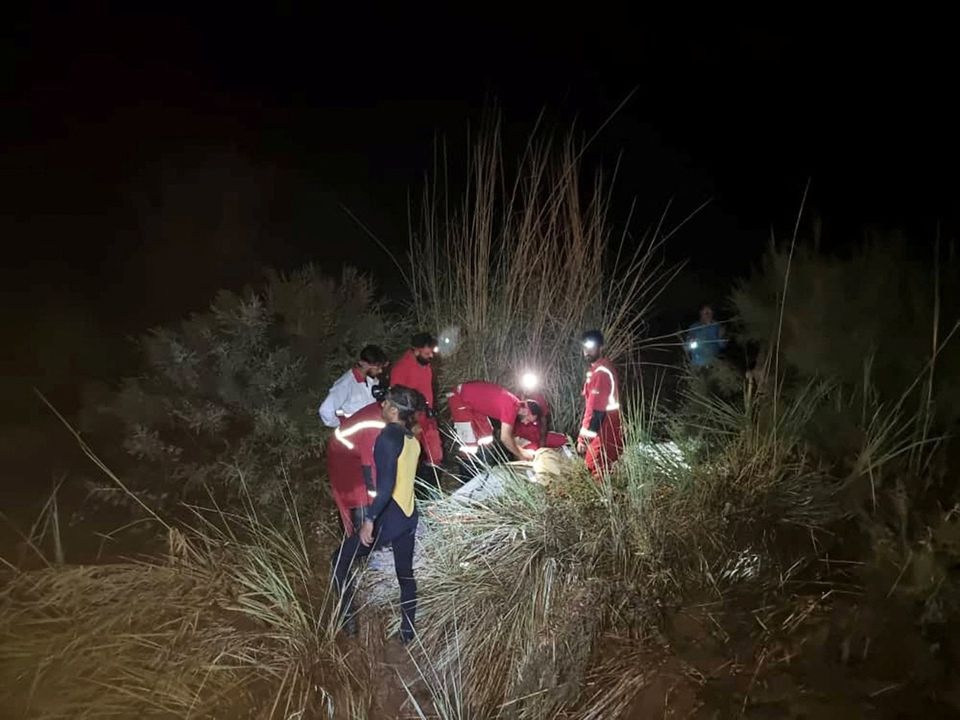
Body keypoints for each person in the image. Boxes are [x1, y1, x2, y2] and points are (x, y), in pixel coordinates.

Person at [331, 385, 423, 643]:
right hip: (409, 516)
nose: (381, 406)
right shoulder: (411, 440)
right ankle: (408, 632)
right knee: (405, 574)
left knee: (338, 560)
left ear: (393, 410)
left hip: (388, 518)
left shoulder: (387, 437)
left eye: (385, 403)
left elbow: (386, 486)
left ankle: (348, 621)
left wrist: (369, 521)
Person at [324, 388, 387, 536]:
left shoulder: (383, 412)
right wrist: (375, 507)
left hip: (353, 451)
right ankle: (358, 547)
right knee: (361, 500)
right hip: (346, 462)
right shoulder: (374, 426)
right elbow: (370, 467)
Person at [447, 380, 537, 461]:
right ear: (526, 411)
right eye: (528, 419)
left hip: (476, 406)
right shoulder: (512, 407)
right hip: (460, 398)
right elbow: (505, 438)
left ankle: (487, 466)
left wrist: (523, 452)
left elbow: (508, 438)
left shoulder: (513, 403)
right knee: (469, 444)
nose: (525, 423)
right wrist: (521, 455)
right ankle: (468, 475)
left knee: (486, 437)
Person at [577, 330, 624, 480]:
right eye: (584, 346)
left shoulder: (601, 373)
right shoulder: (598, 369)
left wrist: (583, 440)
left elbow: (596, 411)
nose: (587, 350)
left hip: (604, 430)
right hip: (606, 429)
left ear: (601, 347)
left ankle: (606, 501)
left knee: (596, 468)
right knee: (603, 468)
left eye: (591, 346)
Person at [389, 332, 442, 466]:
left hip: (427, 415)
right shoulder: (401, 368)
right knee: (411, 455)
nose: (431, 356)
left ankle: (433, 478)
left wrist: (430, 409)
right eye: (427, 353)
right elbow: (396, 398)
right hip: (411, 418)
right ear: (416, 351)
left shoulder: (425, 364)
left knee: (436, 453)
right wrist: (408, 422)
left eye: (431, 353)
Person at [318, 345, 389, 427]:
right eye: (377, 368)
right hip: (354, 432)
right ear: (365, 364)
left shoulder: (371, 380)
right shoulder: (345, 385)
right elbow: (326, 410)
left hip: (368, 429)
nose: (380, 371)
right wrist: (342, 425)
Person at [685, 304, 727, 368]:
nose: (708, 315)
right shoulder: (694, 327)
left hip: (714, 363)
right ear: (700, 313)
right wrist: (691, 341)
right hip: (698, 364)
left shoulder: (717, 326)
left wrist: (722, 336)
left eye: (710, 312)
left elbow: (723, 345)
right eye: (706, 312)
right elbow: (688, 348)